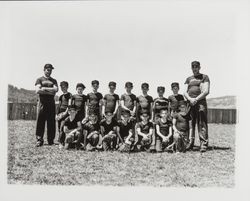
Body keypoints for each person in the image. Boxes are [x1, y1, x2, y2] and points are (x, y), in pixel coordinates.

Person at [184, 61, 210, 152]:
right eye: (193, 67)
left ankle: (203, 144)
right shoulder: (188, 79)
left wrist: (196, 99)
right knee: (190, 124)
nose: (194, 68)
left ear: (199, 67)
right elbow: (184, 91)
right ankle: (190, 143)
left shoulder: (204, 77)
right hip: (190, 103)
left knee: (201, 123)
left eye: (196, 67)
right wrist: (190, 99)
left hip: (200, 103)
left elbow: (206, 91)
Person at [35, 63, 58, 147]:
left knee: (51, 122)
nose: (49, 71)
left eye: (51, 70)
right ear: (44, 70)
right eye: (48, 70)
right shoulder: (39, 79)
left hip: (51, 104)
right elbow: (37, 90)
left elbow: (56, 90)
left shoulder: (54, 80)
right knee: (40, 121)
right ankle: (39, 139)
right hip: (42, 103)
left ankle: (51, 140)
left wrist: (44, 88)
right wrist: (50, 91)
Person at [56, 81, 72, 148]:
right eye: (61, 87)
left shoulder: (69, 95)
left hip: (66, 113)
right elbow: (59, 106)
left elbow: (69, 105)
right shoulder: (61, 96)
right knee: (59, 128)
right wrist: (57, 114)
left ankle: (61, 142)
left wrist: (65, 113)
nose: (63, 88)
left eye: (64, 87)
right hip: (60, 113)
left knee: (63, 127)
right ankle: (60, 141)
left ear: (67, 87)